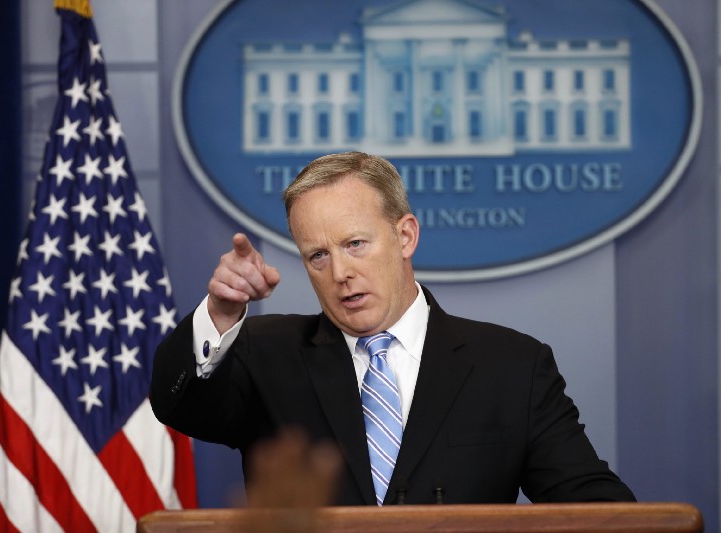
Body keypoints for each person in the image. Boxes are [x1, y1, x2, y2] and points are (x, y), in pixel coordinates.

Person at [150, 151, 635, 506]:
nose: (340, 272)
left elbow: (594, 506)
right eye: (318, 255)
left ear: (405, 236)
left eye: (355, 244)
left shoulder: (512, 367)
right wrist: (220, 312)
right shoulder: (265, 353)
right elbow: (179, 406)